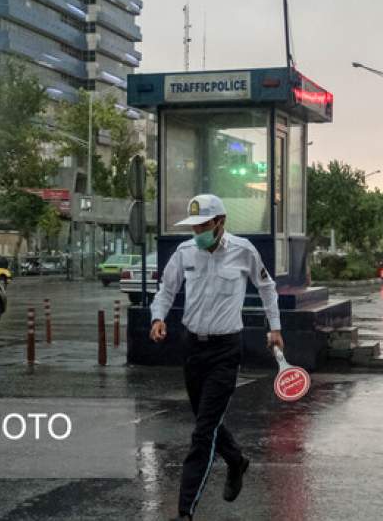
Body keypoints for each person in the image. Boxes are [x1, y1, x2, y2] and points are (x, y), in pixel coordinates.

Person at [149, 194, 284, 521]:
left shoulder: (243, 251)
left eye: (203, 225)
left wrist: (275, 327)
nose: (197, 232)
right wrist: (157, 318)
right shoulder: (185, 252)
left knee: (202, 433)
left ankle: (184, 512)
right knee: (204, 421)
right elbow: (166, 290)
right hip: (193, 347)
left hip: (225, 350)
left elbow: (267, 287)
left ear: (220, 222)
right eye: (193, 226)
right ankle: (236, 460)